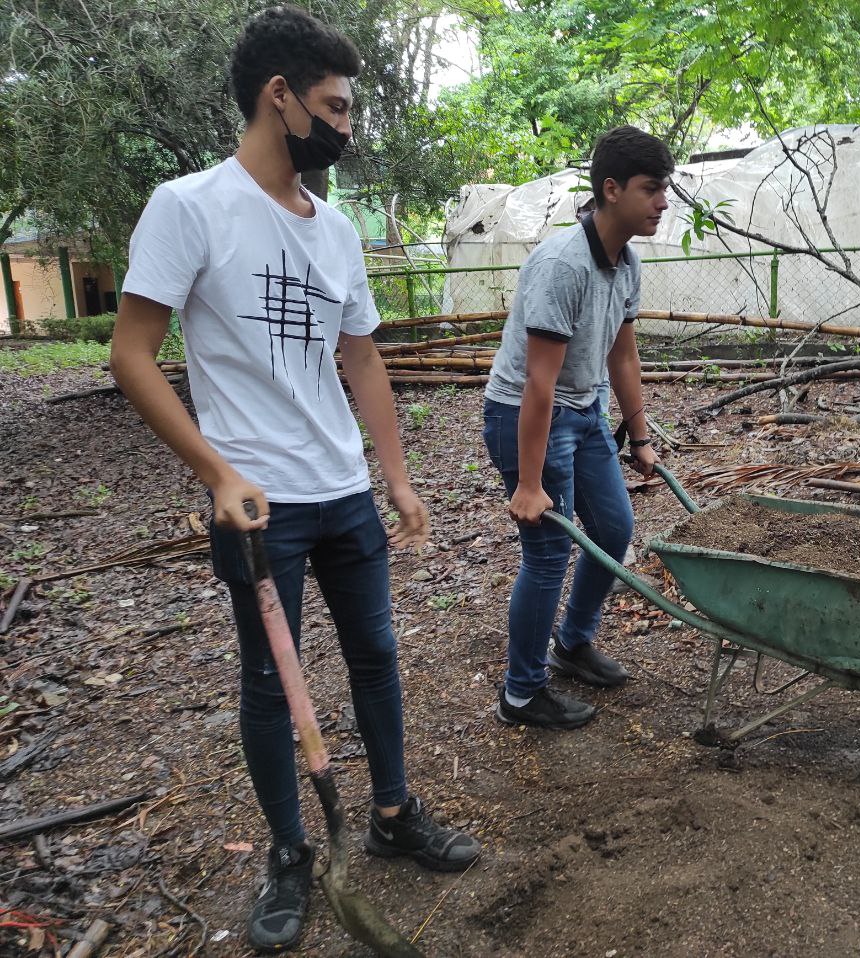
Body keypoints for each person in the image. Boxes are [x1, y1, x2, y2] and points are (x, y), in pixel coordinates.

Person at [109, 6, 479, 951]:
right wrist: (215, 472)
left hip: (343, 489)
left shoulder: (339, 231)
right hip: (259, 502)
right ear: (280, 98)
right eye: (335, 107)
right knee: (272, 688)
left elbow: (361, 362)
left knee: (377, 658)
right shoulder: (188, 206)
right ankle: (288, 853)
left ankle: (392, 817)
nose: (348, 128)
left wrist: (394, 477)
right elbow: (134, 353)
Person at [482, 126, 674, 730]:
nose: (662, 201)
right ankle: (520, 693)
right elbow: (539, 382)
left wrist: (638, 434)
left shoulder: (625, 264)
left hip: (583, 411)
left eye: (665, 188)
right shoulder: (563, 264)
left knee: (614, 530)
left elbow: (623, 356)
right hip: (525, 414)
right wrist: (530, 483)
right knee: (547, 556)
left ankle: (573, 643)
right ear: (610, 190)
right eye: (652, 189)